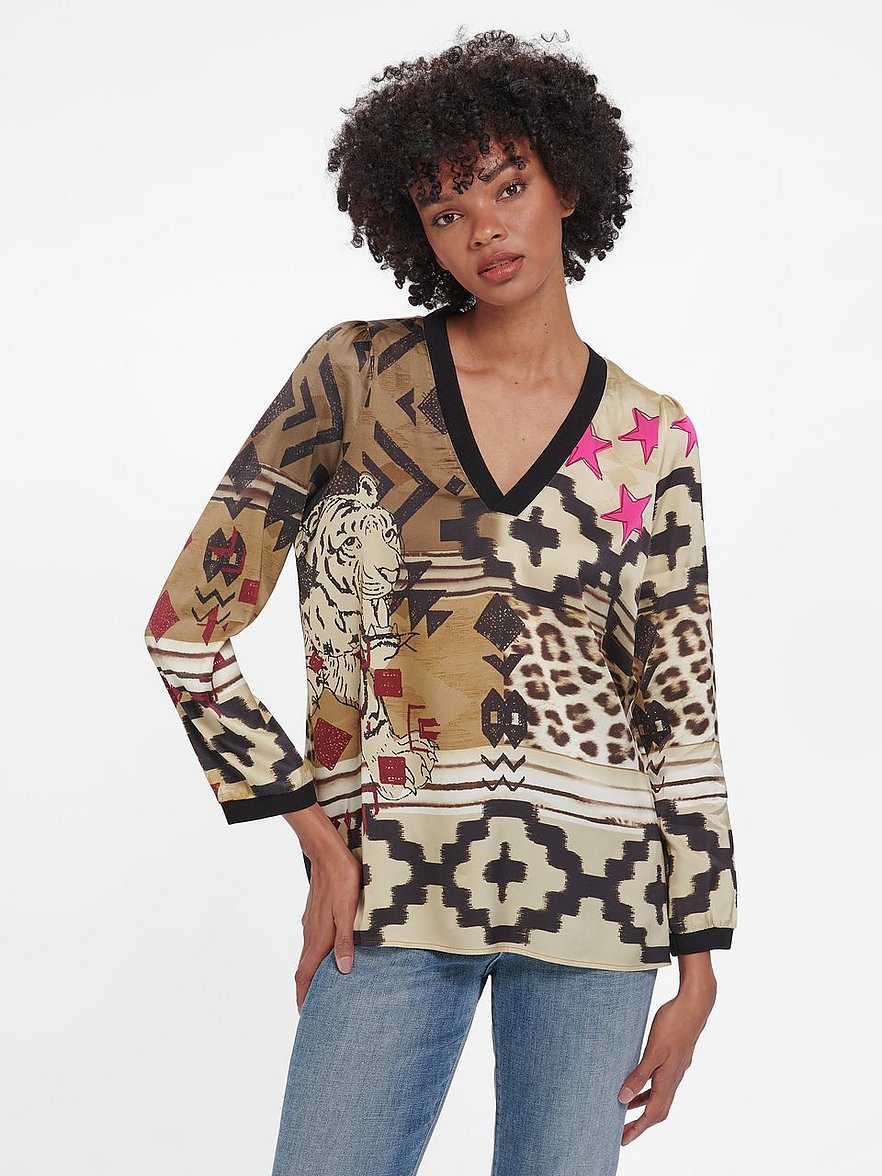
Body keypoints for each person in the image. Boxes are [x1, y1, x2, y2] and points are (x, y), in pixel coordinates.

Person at [143, 29, 738, 1176]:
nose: (485, 231)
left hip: (603, 906)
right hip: (392, 890)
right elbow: (187, 625)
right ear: (413, 229)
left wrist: (700, 961)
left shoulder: (652, 435)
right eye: (446, 209)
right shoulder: (354, 377)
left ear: (569, 184)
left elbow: (679, 706)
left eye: (509, 188)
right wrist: (320, 843)